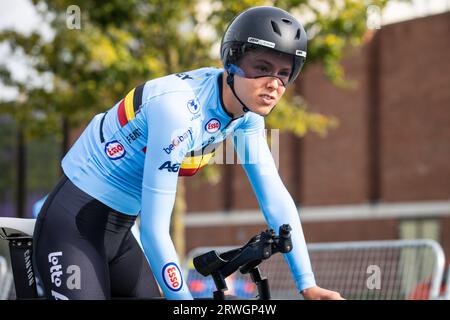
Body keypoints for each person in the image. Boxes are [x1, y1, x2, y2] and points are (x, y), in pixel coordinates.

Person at [32, 6, 343, 300]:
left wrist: (307, 284)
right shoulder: (178, 111)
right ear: (231, 62)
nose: (274, 83)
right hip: (73, 223)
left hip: (122, 228)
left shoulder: (247, 119)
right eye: (262, 68)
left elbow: (275, 198)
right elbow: (156, 230)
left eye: (284, 73)